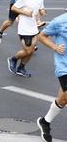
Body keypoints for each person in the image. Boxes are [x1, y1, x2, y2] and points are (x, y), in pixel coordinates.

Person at [7, 0, 46, 77]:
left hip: (34, 28)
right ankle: (13, 59)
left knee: (31, 51)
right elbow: (13, 8)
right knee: (27, 51)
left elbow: (41, 9)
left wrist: (42, 12)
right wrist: (24, 12)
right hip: (24, 28)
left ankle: (21, 67)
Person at [37, 13, 67, 142]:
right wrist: (55, 47)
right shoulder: (60, 21)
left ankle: (45, 121)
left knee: (63, 100)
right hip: (64, 65)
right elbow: (41, 36)